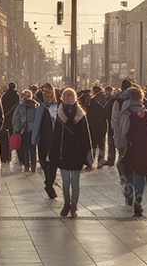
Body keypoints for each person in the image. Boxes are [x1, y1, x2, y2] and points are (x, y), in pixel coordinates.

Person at [115, 87, 147, 216]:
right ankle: (138, 202)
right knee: (141, 175)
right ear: (141, 98)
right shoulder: (146, 113)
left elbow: (122, 131)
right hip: (146, 149)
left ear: (129, 99)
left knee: (129, 174)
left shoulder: (126, 113)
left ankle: (129, 197)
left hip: (130, 148)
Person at [50, 88, 91, 217]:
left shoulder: (80, 115)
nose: (68, 98)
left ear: (74, 98)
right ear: (62, 98)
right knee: (67, 181)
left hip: (75, 153)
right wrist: (53, 154)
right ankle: (67, 204)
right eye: (66, 96)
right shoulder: (60, 114)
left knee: (74, 182)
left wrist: (89, 156)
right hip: (64, 153)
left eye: (70, 96)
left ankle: (73, 206)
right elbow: (55, 136)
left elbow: (86, 137)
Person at [32, 84, 59, 198]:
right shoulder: (39, 108)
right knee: (43, 160)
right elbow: (35, 123)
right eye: (45, 93)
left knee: (53, 163)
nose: (48, 95)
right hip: (43, 138)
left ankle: (49, 184)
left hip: (54, 138)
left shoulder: (57, 107)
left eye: (50, 93)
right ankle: (48, 181)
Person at [10, 90, 38, 172]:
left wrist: (16, 129)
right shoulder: (35, 106)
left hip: (24, 130)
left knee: (25, 148)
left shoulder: (20, 106)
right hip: (33, 130)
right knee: (32, 148)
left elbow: (15, 119)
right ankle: (33, 165)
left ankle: (27, 164)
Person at [87, 85, 110, 168]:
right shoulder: (105, 99)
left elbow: (88, 113)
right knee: (101, 144)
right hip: (103, 124)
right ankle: (100, 162)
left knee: (92, 144)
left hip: (93, 125)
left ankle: (90, 162)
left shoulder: (92, 101)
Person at [0, 82, 20, 164]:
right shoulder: (16, 96)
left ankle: (6, 156)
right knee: (14, 135)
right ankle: (17, 155)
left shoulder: (4, 96)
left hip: (6, 118)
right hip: (14, 118)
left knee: (5, 138)